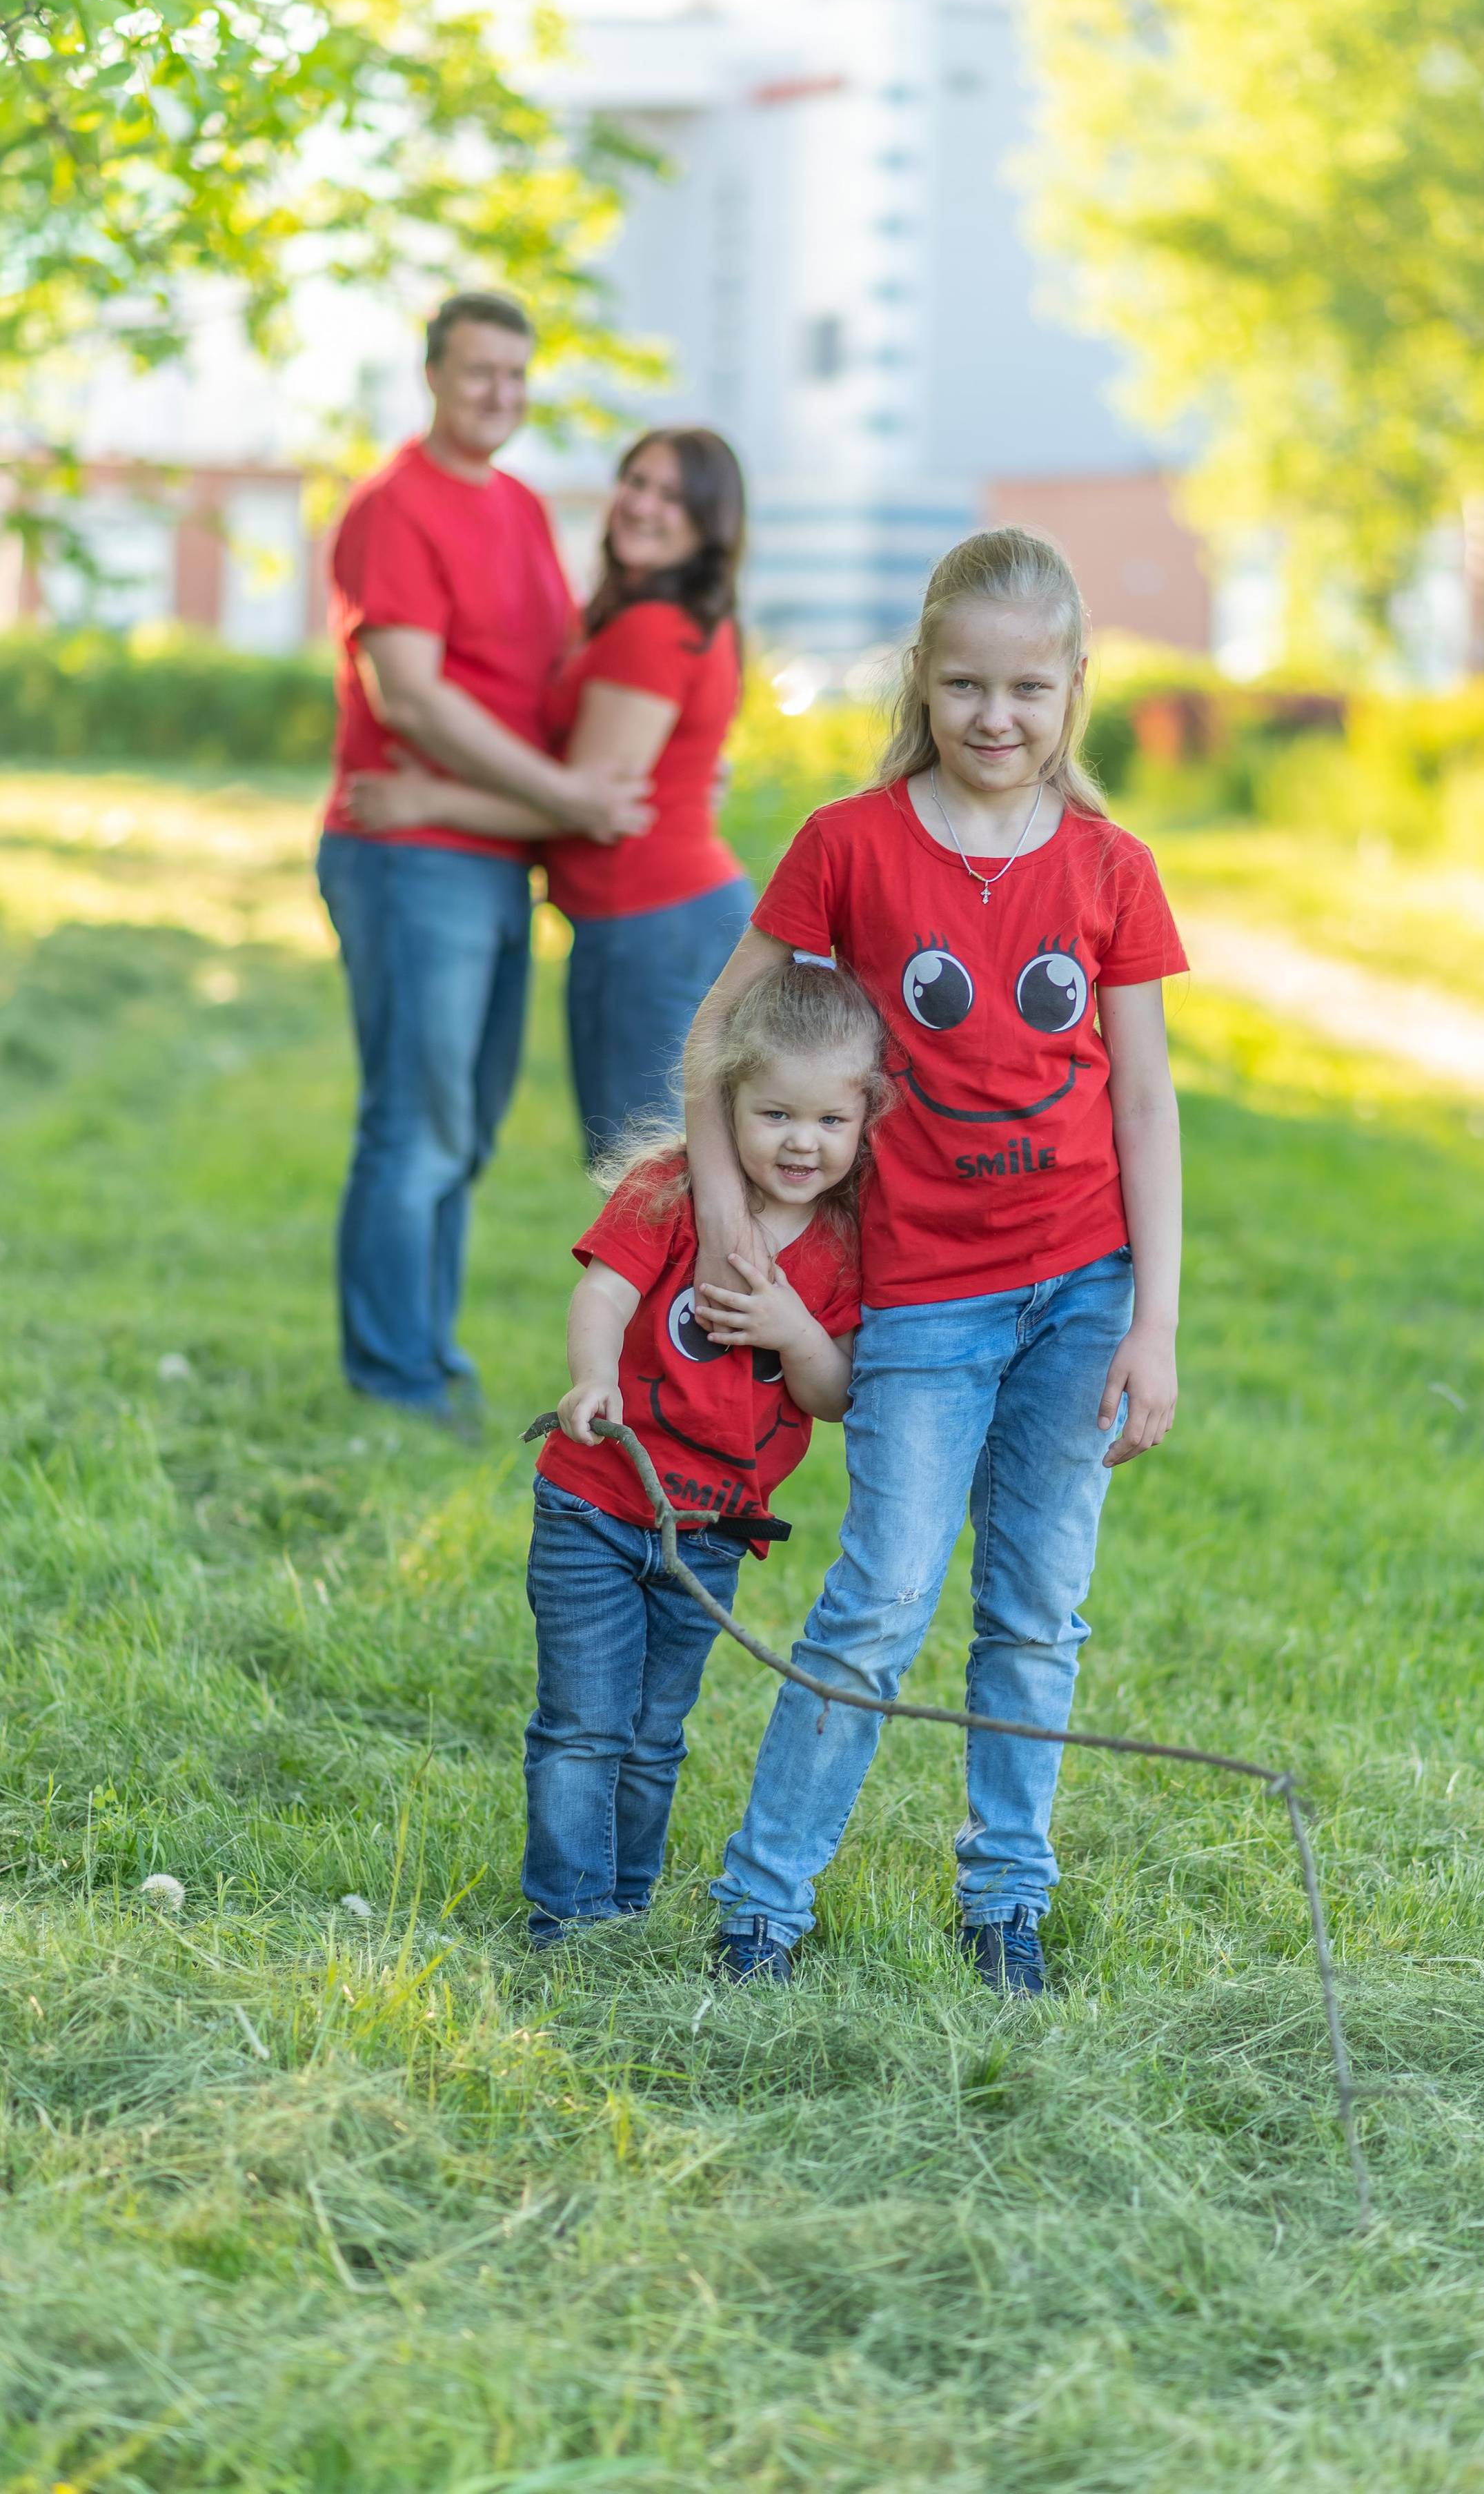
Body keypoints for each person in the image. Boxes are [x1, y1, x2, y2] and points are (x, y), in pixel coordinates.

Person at [684, 527, 1188, 1994]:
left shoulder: (1109, 867)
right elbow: (718, 1038)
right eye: (964, 683)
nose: (994, 717)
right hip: (925, 1295)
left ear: (1074, 687)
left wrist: (1151, 1323)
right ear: (921, 676)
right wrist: (725, 1208)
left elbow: (1142, 1103)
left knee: (1036, 1608)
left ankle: (1004, 1902)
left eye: (1027, 688)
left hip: (1080, 1288)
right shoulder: (848, 846)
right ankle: (762, 1907)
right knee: (881, 1602)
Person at [317, 290, 650, 1424]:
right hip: (410, 857)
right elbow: (406, 691)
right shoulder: (393, 507)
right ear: (431, 375)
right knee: (416, 1126)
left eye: (517, 375)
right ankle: (395, 1377)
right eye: (478, 373)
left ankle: (428, 1357)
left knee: (467, 1128)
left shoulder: (514, 503)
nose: (500, 394)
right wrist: (564, 794)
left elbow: (548, 669)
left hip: (489, 851)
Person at [521, 960, 889, 1945]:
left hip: (712, 1532)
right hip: (599, 1503)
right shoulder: (670, 1191)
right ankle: (567, 1915)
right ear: (726, 1100)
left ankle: (625, 1901)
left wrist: (792, 1325)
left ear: (865, 1122)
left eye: (829, 1121)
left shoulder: (849, 1245)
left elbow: (835, 1391)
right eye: (774, 1114)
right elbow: (603, 1290)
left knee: (651, 1735)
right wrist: (592, 1373)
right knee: (583, 1725)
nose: (801, 1143)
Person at [348, 427, 752, 1154]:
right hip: (662, 921)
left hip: (650, 927)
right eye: (636, 482)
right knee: (669, 1176)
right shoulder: (657, 618)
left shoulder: (653, 630)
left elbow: (588, 806)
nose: (643, 505)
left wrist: (431, 801)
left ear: (708, 521)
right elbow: (591, 791)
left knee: (646, 1183)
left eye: (671, 495)